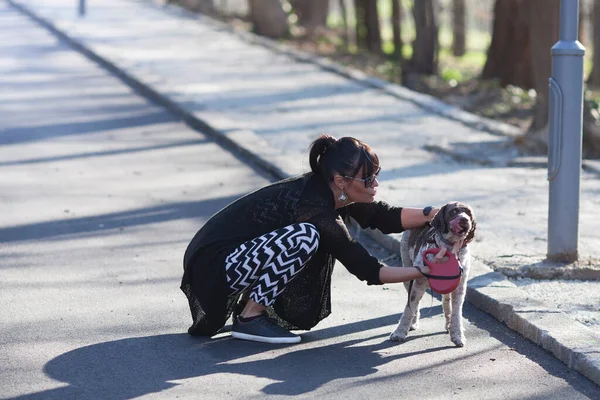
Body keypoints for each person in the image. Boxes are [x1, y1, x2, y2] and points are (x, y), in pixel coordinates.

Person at [180, 134, 438, 344]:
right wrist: (422, 271)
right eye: (368, 178)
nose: (376, 183)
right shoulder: (315, 207)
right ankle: (250, 318)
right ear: (341, 180)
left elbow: (384, 217)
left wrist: (435, 215)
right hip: (213, 266)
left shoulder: (336, 192)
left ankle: (249, 310)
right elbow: (367, 269)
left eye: (377, 174)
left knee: (304, 236)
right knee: (304, 237)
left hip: (230, 259)